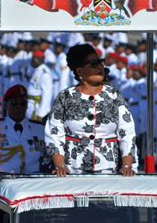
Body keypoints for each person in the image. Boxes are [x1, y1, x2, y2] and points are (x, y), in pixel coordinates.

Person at [45, 44, 137, 177]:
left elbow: (127, 132)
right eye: (93, 64)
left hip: (109, 171)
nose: (100, 67)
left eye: (100, 62)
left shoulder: (114, 95)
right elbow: (54, 133)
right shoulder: (65, 97)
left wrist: (127, 165)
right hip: (72, 171)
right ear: (80, 71)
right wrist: (60, 165)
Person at [0, 84, 48, 174]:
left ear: (27, 106)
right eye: (14, 103)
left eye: (22, 104)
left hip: (32, 182)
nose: (18, 107)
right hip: (3, 182)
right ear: (6, 106)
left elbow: (47, 160)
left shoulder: (39, 129)